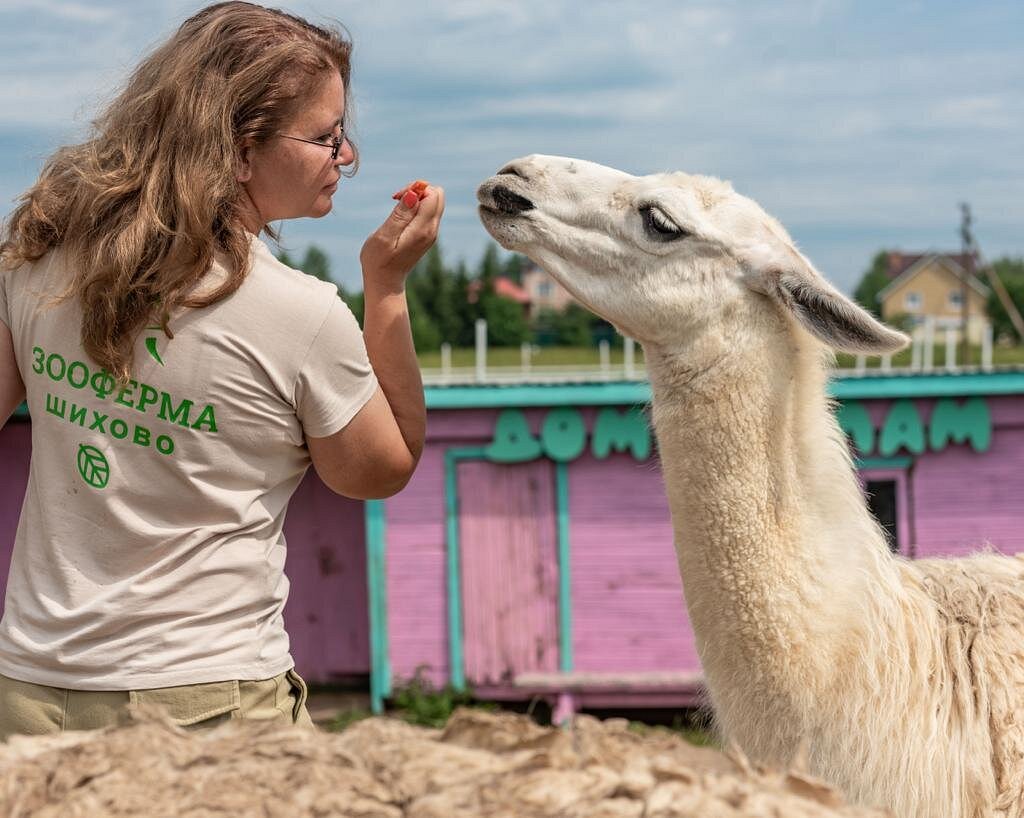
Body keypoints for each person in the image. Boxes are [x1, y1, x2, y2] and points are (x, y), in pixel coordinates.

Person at [0, 1, 441, 736]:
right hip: (207, 707)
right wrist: (387, 287)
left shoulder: (37, 258)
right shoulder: (299, 314)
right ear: (238, 152)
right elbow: (377, 471)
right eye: (327, 137)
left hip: (31, 696)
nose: (349, 156)